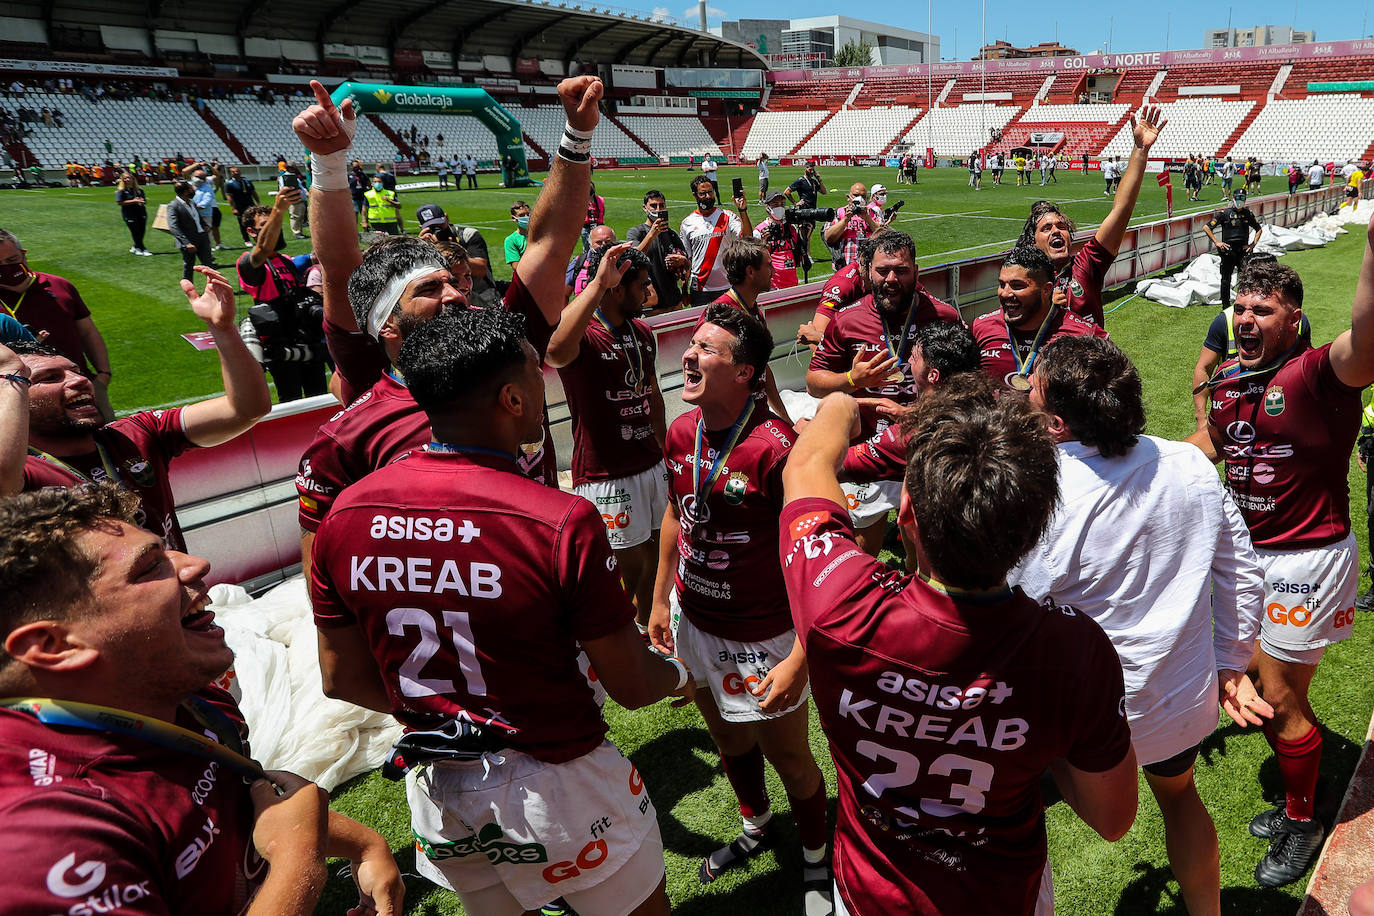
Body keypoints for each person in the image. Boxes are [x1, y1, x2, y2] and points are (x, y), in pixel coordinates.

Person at [310, 308, 691, 916]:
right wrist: (684, 674)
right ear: (513, 398)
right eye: (539, 379)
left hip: (437, 784)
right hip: (558, 781)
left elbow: (341, 677)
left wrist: (451, 711)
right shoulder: (557, 521)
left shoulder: (344, 517)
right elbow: (632, 685)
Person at [778, 382, 1137, 916]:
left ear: (906, 515)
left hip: (868, 895)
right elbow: (1112, 819)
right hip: (1002, 896)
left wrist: (843, 403)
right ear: (1036, 525)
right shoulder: (1074, 650)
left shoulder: (838, 602)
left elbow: (804, 467)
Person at [0, 484, 405, 916]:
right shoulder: (41, 836)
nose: (196, 564)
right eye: (149, 567)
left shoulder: (186, 697)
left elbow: (225, 803)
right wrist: (297, 866)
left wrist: (363, 843)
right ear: (54, 646)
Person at [291, 75, 598, 573]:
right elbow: (341, 266)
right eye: (430, 290)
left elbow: (547, 244)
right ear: (385, 327)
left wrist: (577, 137)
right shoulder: (364, 383)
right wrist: (328, 165)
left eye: (453, 283)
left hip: (543, 586)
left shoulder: (502, 339)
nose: (457, 295)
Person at [1013, 335, 1269, 916]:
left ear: (1055, 424)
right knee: (1181, 800)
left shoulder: (1044, 493)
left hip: (1078, 719)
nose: (1022, 392)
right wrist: (1232, 662)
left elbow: (1015, 607)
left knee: (1016, 812)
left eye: (1032, 388)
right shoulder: (1190, 465)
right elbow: (1243, 574)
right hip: (1176, 700)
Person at [1190, 245, 1374, 887]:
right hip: (1249, 559)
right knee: (1260, 690)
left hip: (1305, 558)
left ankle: (1303, 822)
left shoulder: (1317, 374)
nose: (1244, 318)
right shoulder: (1229, 385)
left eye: (1262, 310)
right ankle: (1306, 792)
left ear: (1293, 319)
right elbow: (1203, 449)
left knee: (1275, 696)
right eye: (1238, 306)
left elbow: (1369, 336)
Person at [649, 304, 833, 913]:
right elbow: (678, 515)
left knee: (789, 757)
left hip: (764, 636)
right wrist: (659, 602)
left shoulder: (776, 451)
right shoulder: (682, 432)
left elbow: (825, 557)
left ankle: (814, 857)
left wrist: (802, 655)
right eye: (692, 344)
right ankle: (756, 828)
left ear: (747, 372)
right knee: (729, 740)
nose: (690, 355)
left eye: (707, 349)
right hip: (696, 621)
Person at [1, 268, 270, 551]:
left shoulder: (135, 434)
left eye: (75, 371)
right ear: (13, 399)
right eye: (50, 378)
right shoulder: (24, 474)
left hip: (185, 589)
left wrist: (222, 329)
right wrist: (10, 371)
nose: (80, 380)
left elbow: (247, 409)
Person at [806, 232, 962, 555]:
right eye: (883, 270)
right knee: (865, 548)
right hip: (869, 451)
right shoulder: (847, 320)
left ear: (917, 272)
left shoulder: (943, 316)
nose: (892, 279)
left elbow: (964, 385)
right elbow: (813, 381)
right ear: (867, 272)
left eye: (901, 270)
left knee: (924, 549)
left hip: (923, 445)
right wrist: (852, 378)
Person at [546, 244, 667, 627]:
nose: (649, 293)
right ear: (616, 289)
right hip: (606, 473)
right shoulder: (585, 335)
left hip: (650, 462)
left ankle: (650, 631)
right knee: (625, 564)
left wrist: (666, 453)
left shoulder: (643, 332)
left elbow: (653, 393)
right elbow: (554, 350)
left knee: (657, 553)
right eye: (641, 286)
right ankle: (618, 637)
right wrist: (597, 284)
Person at [1017, 106, 1165, 327]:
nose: (1056, 230)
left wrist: (1140, 150)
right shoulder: (1021, 279)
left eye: (1061, 226)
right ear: (1032, 242)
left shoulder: (1086, 265)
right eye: (1046, 228)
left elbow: (1121, 210)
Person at [0, 229, 116, 420]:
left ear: (24, 254)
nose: (6, 268)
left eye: (12, 260)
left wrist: (103, 375)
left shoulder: (59, 285)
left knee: (110, 443)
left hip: (81, 387)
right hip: (19, 399)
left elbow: (87, 332)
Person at [973, 245, 1108, 394]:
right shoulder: (982, 327)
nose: (1005, 293)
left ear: (1046, 290)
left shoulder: (1084, 334)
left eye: (1017, 286)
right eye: (1001, 284)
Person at [235, 189, 328, 403]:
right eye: (265, 225)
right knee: (292, 401)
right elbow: (263, 249)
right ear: (251, 231)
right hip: (280, 348)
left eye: (275, 222)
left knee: (320, 400)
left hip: (306, 340)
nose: (275, 229)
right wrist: (279, 209)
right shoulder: (249, 263)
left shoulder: (286, 260)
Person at [711, 238, 792, 425]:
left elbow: (763, 367)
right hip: (734, 423)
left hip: (757, 414)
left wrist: (785, 419)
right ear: (750, 272)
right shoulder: (721, 313)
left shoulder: (752, 308)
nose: (774, 271)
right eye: (768, 265)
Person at [680, 174, 752, 306]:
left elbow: (747, 238)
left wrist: (742, 210)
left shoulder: (727, 216)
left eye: (710, 192)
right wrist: (684, 289)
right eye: (703, 193)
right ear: (694, 195)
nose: (708, 197)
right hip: (700, 289)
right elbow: (686, 260)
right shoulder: (687, 223)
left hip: (727, 286)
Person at [416, 203, 500, 309]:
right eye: (431, 227)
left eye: (440, 224)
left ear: (446, 218)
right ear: (421, 227)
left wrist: (447, 250)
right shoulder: (423, 245)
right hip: (447, 298)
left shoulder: (466, 235)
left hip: (481, 294)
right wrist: (421, 249)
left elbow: (481, 269)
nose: (438, 230)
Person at [627, 189, 689, 312]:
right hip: (651, 306)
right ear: (645, 208)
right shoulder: (637, 232)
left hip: (675, 302)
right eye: (653, 206)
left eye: (662, 205)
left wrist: (682, 261)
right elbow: (635, 258)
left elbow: (686, 265)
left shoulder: (671, 234)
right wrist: (652, 234)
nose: (658, 209)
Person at [1203, 188, 1263, 309]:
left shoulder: (1248, 214)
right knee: (1226, 280)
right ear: (1233, 199)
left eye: (1242, 198)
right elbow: (1207, 227)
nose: (1239, 201)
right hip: (1228, 252)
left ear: (1245, 200)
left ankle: (1244, 303)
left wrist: (1252, 245)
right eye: (1237, 198)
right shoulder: (1224, 214)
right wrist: (1217, 242)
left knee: (1246, 279)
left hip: (1243, 252)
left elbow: (1259, 229)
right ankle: (1225, 306)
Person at [822, 183, 883, 270]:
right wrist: (845, 219)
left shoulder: (874, 213)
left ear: (866, 198)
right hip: (845, 266)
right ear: (848, 197)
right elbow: (829, 238)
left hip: (871, 266)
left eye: (863, 196)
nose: (860, 199)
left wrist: (867, 218)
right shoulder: (839, 213)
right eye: (856, 195)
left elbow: (883, 236)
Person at [753, 189, 804, 291]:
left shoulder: (791, 228)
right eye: (775, 204)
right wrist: (763, 244)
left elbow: (799, 254)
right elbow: (754, 261)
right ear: (767, 207)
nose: (779, 207)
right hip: (771, 286)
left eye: (782, 204)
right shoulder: (760, 231)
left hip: (792, 282)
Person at [168, 179, 216, 283]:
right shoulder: (173, 206)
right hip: (189, 241)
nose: (193, 190)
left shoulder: (192, 203)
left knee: (209, 264)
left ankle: (215, 286)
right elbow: (173, 227)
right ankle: (189, 289)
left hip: (202, 237)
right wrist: (186, 243)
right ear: (185, 192)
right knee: (189, 266)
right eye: (191, 189)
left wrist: (205, 225)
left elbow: (197, 218)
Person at [785, 159, 828, 255]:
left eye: (813, 170)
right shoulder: (800, 181)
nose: (812, 172)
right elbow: (787, 192)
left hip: (813, 210)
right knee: (805, 234)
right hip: (804, 211)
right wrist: (796, 202)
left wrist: (819, 179)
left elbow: (824, 192)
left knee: (808, 234)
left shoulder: (813, 182)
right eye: (810, 170)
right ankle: (806, 255)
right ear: (805, 169)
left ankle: (805, 254)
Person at [565, 225, 616, 298]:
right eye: (599, 242)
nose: (603, 245)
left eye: (608, 242)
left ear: (615, 242)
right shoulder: (579, 262)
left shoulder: (624, 262)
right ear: (591, 244)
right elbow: (565, 293)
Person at [115, 172, 151, 256]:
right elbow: (119, 202)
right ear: (123, 180)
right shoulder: (121, 191)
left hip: (141, 212)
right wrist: (134, 201)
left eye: (129, 178)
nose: (127, 180)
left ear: (133, 179)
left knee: (142, 231)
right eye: (125, 178)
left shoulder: (139, 190)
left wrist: (141, 202)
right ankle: (142, 248)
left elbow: (144, 200)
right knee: (135, 231)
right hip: (129, 214)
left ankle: (136, 246)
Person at [191, 170, 227, 251]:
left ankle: (208, 251)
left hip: (205, 214)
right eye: (197, 177)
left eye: (201, 177)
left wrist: (198, 206)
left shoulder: (207, 187)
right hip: (191, 214)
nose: (198, 179)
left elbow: (207, 199)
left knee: (206, 233)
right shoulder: (189, 186)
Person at [224, 166, 260, 245]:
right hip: (240, 206)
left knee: (254, 221)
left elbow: (253, 192)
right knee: (243, 223)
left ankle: (257, 237)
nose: (236, 173)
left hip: (251, 205)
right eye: (233, 172)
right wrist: (233, 208)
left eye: (237, 171)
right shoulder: (229, 184)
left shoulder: (247, 181)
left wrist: (258, 202)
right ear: (231, 173)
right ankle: (246, 240)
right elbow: (229, 197)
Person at [504, 200, 530, 270]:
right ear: (513, 218)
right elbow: (516, 267)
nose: (526, 217)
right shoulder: (511, 240)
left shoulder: (542, 234)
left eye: (528, 214)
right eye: (521, 215)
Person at [582, 181, 606, 252]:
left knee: (599, 247)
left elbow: (602, 211)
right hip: (586, 227)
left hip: (598, 226)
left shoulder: (599, 199)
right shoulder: (582, 200)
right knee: (587, 248)